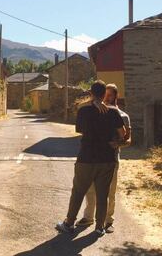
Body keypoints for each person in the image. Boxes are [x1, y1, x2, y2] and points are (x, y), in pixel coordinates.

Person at [56, 80, 125, 236]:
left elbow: (80, 130)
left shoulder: (83, 110)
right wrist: (117, 142)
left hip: (86, 158)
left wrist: (92, 104)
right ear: (105, 94)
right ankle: (99, 227)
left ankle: (68, 223)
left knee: (78, 192)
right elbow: (123, 134)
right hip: (107, 159)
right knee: (103, 194)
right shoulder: (113, 112)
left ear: (91, 94)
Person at [75, 83, 131, 234]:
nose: (106, 98)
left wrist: (118, 143)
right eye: (104, 95)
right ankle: (88, 217)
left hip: (111, 159)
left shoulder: (122, 115)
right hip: (93, 159)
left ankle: (108, 220)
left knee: (109, 192)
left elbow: (128, 139)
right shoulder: (94, 112)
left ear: (115, 96)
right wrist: (93, 102)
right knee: (90, 190)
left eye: (110, 95)